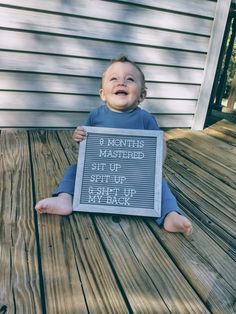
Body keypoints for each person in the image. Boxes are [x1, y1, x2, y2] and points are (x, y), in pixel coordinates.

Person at [35, 56, 192, 235]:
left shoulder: (145, 119)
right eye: (114, 78)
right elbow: (87, 149)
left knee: (159, 184)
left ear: (142, 95)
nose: (122, 82)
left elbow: (158, 145)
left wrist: (156, 165)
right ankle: (64, 199)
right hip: (102, 173)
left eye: (130, 79)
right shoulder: (95, 116)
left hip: (135, 174)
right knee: (74, 170)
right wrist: (79, 137)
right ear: (103, 93)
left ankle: (170, 214)